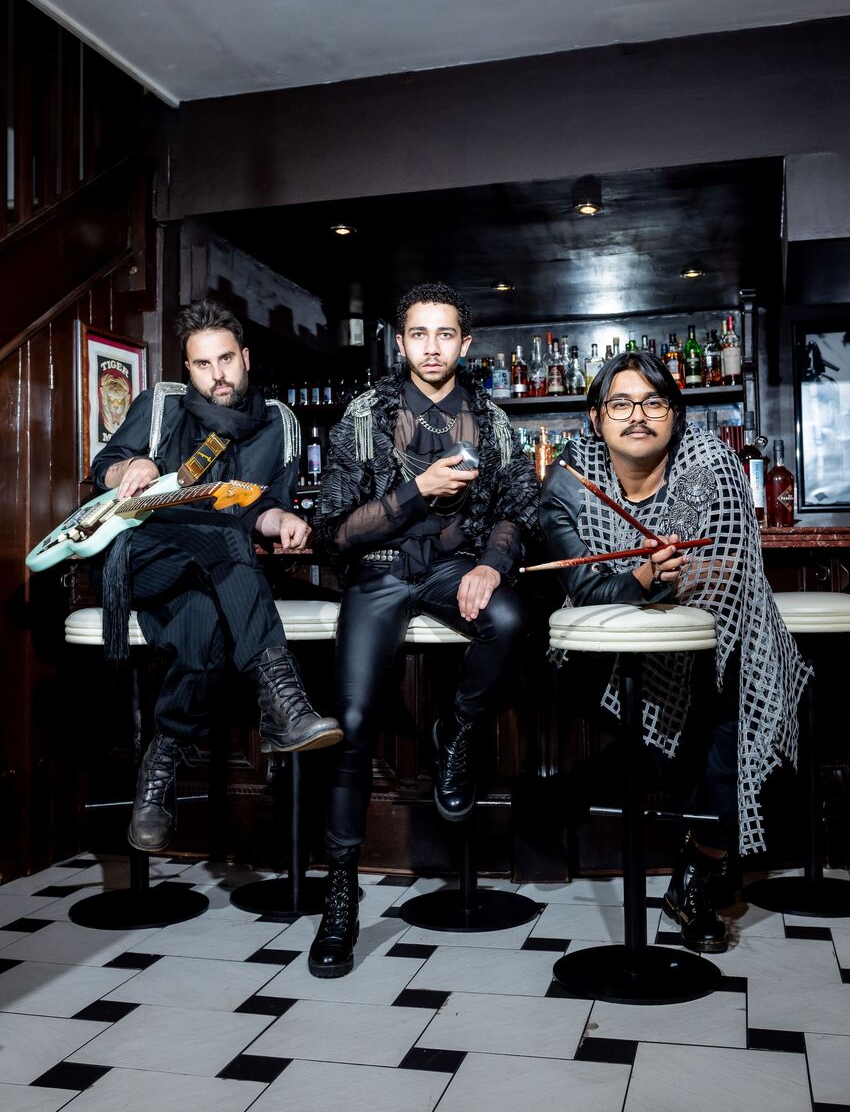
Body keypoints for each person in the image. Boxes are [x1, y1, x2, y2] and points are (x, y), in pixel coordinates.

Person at [539, 350, 811, 954]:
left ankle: (698, 870)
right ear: (594, 416)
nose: (638, 415)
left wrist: (654, 581)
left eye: (654, 402)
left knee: (724, 715)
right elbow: (583, 591)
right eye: (621, 403)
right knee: (668, 712)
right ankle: (703, 867)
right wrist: (646, 579)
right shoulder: (568, 480)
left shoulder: (709, 461)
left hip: (723, 636)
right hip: (611, 658)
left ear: (676, 414)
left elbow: (727, 573)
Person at [308, 282, 539, 977]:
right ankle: (341, 894)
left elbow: (518, 505)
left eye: (446, 334)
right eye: (419, 333)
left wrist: (493, 565)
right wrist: (417, 490)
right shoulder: (364, 416)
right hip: (378, 573)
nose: (432, 346)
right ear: (400, 341)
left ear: (465, 344)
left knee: (508, 619)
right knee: (351, 720)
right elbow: (332, 531)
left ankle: (455, 732)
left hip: (450, 570)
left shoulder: (491, 419)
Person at [91, 299, 341, 852]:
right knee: (224, 537)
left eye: (226, 359)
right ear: (189, 369)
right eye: (203, 365)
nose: (217, 375)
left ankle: (162, 760)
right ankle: (284, 704)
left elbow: (262, 508)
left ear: (245, 357)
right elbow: (102, 466)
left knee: (202, 632)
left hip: (216, 572)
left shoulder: (278, 423)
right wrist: (129, 467)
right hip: (148, 555)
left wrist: (285, 520)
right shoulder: (161, 405)